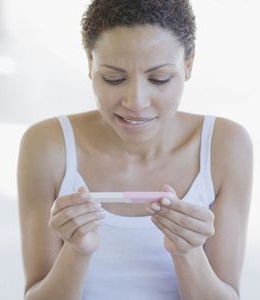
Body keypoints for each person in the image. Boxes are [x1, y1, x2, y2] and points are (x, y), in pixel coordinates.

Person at [17, 0, 253, 299]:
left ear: (188, 64)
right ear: (90, 65)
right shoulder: (47, 144)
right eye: (114, 78)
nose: (136, 101)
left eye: (159, 78)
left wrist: (187, 253)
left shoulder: (226, 145)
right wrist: (77, 252)